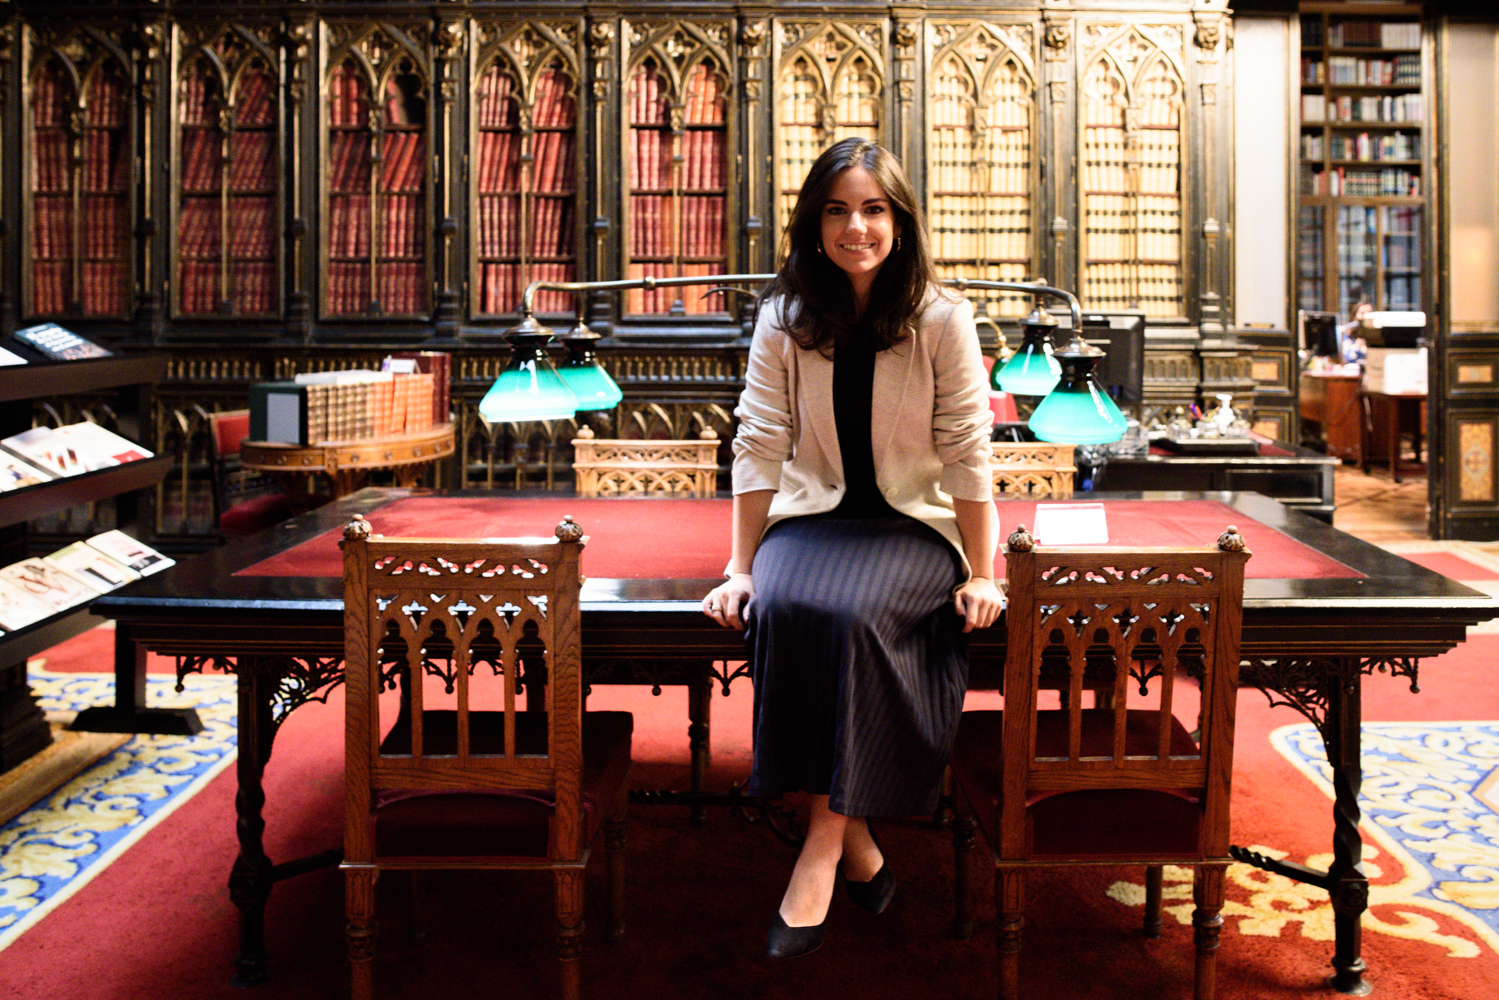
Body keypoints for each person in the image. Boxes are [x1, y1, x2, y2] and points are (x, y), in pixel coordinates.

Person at [700, 137, 1004, 959]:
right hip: (812, 518)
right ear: (814, 222)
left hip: (913, 525)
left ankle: (820, 845)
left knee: (857, 617)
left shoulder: (941, 317)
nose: (855, 227)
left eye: (872, 209)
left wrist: (984, 574)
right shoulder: (783, 315)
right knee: (786, 606)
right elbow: (759, 442)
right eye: (835, 210)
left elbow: (967, 448)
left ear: (899, 221)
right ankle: (856, 833)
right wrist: (738, 569)